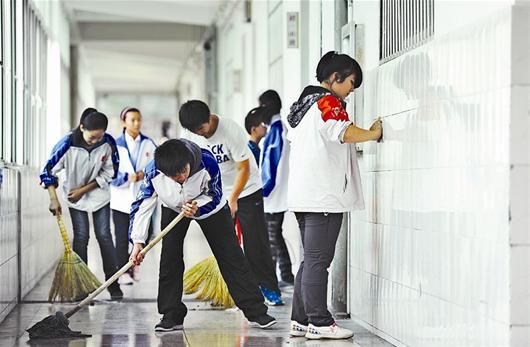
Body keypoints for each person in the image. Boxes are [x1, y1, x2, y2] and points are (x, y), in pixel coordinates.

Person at [128, 139, 276, 331]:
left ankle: (256, 311)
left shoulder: (207, 161)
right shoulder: (153, 171)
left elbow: (215, 194)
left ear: (188, 162)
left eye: (183, 171)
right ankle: (171, 314)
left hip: (210, 207)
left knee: (231, 256)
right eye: (174, 176)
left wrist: (197, 206)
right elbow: (142, 205)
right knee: (169, 259)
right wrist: (138, 242)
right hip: (173, 208)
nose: (181, 177)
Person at [286, 51, 382, 340]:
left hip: (305, 194)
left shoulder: (303, 106)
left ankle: (301, 320)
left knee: (310, 259)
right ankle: (320, 321)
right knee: (318, 261)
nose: (351, 91)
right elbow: (341, 131)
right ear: (335, 78)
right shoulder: (327, 101)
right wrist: (373, 133)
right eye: (351, 83)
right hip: (323, 196)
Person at [179, 100, 283, 306]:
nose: (199, 133)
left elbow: (243, 168)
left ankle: (269, 287)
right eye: (194, 131)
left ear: (209, 118)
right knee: (225, 243)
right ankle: (231, 289)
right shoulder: (191, 136)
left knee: (255, 242)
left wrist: (233, 199)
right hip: (216, 192)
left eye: (201, 128)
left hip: (247, 189)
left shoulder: (230, 130)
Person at [40, 108, 123, 300]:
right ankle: (81, 288)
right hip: (73, 199)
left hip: (98, 195)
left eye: (99, 137)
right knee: (81, 237)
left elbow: (111, 173)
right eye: (92, 137)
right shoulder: (67, 144)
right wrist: (54, 199)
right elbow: (47, 172)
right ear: (82, 127)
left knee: (104, 236)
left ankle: (113, 285)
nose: (95, 141)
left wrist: (83, 190)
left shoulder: (108, 143)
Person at [110, 107, 157, 285]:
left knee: (145, 234)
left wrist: (145, 174)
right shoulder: (115, 145)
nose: (137, 123)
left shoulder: (149, 144)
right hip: (121, 200)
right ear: (124, 122)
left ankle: (133, 266)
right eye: (133, 120)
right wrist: (126, 178)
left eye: (139, 119)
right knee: (122, 238)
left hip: (142, 199)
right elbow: (109, 173)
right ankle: (122, 271)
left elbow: (157, 166)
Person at [258, 90, 295, 287]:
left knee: (270, 238)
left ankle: (269, 281)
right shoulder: (275, 129)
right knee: (276, 235)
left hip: (274, 194)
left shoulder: (277, 130)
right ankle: (286, 275)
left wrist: (264, 190)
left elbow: (273, 167)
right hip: (274, 193)